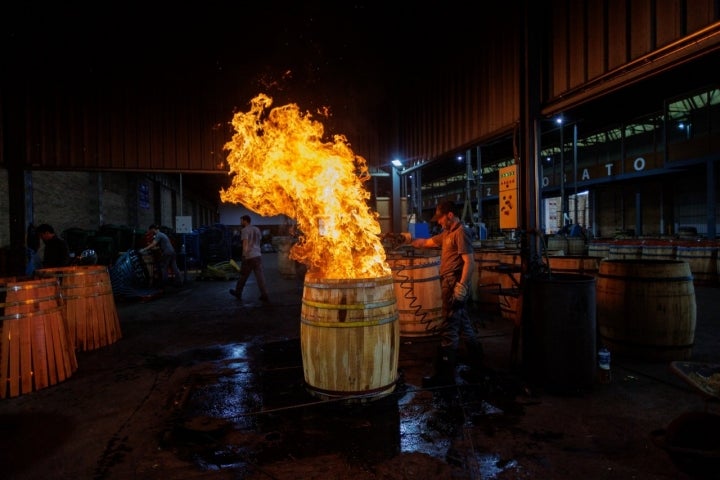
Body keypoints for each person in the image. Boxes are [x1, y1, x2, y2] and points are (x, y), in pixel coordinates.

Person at [411, 200, 482, 387]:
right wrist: (408, 240)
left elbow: (469, 262)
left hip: (453, 284)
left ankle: (445, 376)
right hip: (449, 282)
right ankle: (478, 367)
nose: (439, 222)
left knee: (449, 326)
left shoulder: (461, 232)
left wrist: (461, 287)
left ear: (449, 215)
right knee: (464, 324)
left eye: (441, 219)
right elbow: (427, 242)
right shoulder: (447, 233)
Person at [230, 215, 269, 302]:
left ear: (245, 221)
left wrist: (244, 256)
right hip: (258, 255)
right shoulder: (257, 229)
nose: (240, 222)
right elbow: (259, 241)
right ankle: (264, 294)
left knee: (243, 276)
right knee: (260, 277)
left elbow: (245, 244)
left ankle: (238, 292)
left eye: (241, 221)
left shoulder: (244, 230)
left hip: (249, 256)